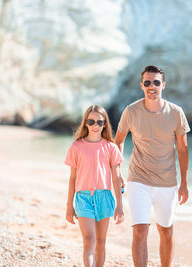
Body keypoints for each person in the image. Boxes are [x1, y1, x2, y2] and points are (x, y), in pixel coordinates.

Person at [114, 65, 190, 267]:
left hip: (167, 182)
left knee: (166, 231)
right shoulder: (131, 111)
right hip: (139, 179)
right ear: (142, 85)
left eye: (156, 82)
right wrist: (118, 171)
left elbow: (183, 149)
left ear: (163, 85)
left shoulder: (176, 112)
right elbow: (118, 140)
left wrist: (184, 183)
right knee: (140, 230)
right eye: (147, 82)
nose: (151, 86)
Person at [65, 104, 124, 267]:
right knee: (89, 240)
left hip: (104, 197)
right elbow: (72, 178)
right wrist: (69, 205)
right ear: (85, 123)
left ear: (105, 124)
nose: (95, 125)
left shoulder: (111, 147)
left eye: (99, 122)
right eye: (91, 122)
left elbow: (116, 178)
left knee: (101, 242)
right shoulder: (76, 147)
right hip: (83, 198)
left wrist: (120, 205)